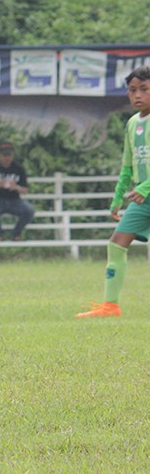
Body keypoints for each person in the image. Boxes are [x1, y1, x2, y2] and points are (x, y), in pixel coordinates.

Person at [76, 65, 150, 319]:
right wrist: (117, 198)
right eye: (132, 90)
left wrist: (145, 187)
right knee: (117, 244)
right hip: (142, 200)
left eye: (144, 89)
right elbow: (127, 166)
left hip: (144, 192)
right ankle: (111, 307)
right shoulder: (132, 124)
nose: (137, 95)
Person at [0, 142, 35, 241]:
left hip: (15, 200)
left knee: (29, 210)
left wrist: (16, 187)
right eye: (4, 155)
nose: (7, 158)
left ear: (12, 155)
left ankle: (16, 234)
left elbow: (25, 190)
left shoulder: (19, 169)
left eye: (9, 155)